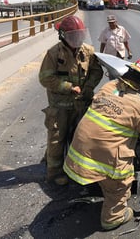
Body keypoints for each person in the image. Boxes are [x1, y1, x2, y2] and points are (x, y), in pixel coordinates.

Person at [63, 58, 140, 231]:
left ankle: (101, 183)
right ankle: (113, 217)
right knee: (120, 184)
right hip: (104, 158)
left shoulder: (109, 86)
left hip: (77, 151)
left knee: (103, 171)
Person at [39, 15, 103, 186]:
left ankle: (79, 168)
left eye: (79, 35)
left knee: (82, 137)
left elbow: (97, 72)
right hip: (60, 106)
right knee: (57, 138)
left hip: (82, 103)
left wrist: (88, 87)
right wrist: (68, 87)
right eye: (73, 36)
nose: (77, 39)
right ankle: (54, 172)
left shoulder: (88, 51)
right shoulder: (54, 54)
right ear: (63, 36)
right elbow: (45, 79)